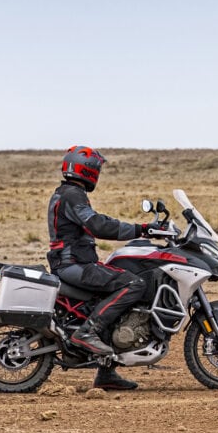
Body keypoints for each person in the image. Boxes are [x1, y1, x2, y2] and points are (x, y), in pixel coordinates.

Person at [47, 145, 164, 391]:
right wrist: (141, 229)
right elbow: (97, 225)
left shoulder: (67, 192)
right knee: (134, 283)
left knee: (114, 299)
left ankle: (106, 374)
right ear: (87, 170)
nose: (97, 173)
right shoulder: (72, 195)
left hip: (72, 262)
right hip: (73, 265)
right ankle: (87, 333)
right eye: (96, 168)